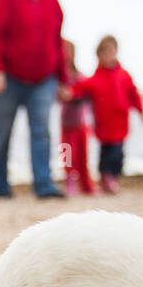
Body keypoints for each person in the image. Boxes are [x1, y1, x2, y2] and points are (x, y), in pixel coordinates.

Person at [0, 0, 66, 199]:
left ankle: (43, 183)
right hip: (8, 77)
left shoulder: (51, 0)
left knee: (41, 130)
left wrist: (63, 79)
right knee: (3, 133)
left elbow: (57, 41)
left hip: (43, 78)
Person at [62, 36, 143, 195]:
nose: (108, 57)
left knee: (118, 153)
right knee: (104, 153)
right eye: (105, 53)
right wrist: (70, 92)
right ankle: (104, 178)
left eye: (111, 52)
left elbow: (133, 93)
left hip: (120, 124)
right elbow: (81, 87)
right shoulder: (96, 78)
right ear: (99, 56)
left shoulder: (124, 75)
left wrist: (140, 109)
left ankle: (113, 177)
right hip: (103, 125)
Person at [58, 40, 94, 195]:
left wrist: (75, 94)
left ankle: (86, 185)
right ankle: (69, 181)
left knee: (83, 156)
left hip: (80, 123)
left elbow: (89, 92)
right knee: (66, 156)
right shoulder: (60, 78)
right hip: (66, 124)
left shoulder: (80, 76)